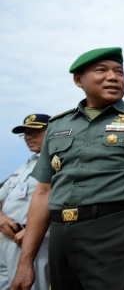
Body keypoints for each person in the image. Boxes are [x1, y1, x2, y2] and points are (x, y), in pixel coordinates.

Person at [10, 47, 124, 290]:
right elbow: (43, 191)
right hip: (61, 234)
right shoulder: (58, 125)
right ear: (78, 80)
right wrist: (25, 261)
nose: (113, 77)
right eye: (101, 70)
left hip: (116, 230)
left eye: (119, 71)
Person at [0, 114, 51, 290]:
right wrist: (1, 218)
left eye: (35, 131)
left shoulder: (59, 162)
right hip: (8, 238)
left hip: (34, 239)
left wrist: (31, 231)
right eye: (26, 134)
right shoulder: (25, 166)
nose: (29, 137)